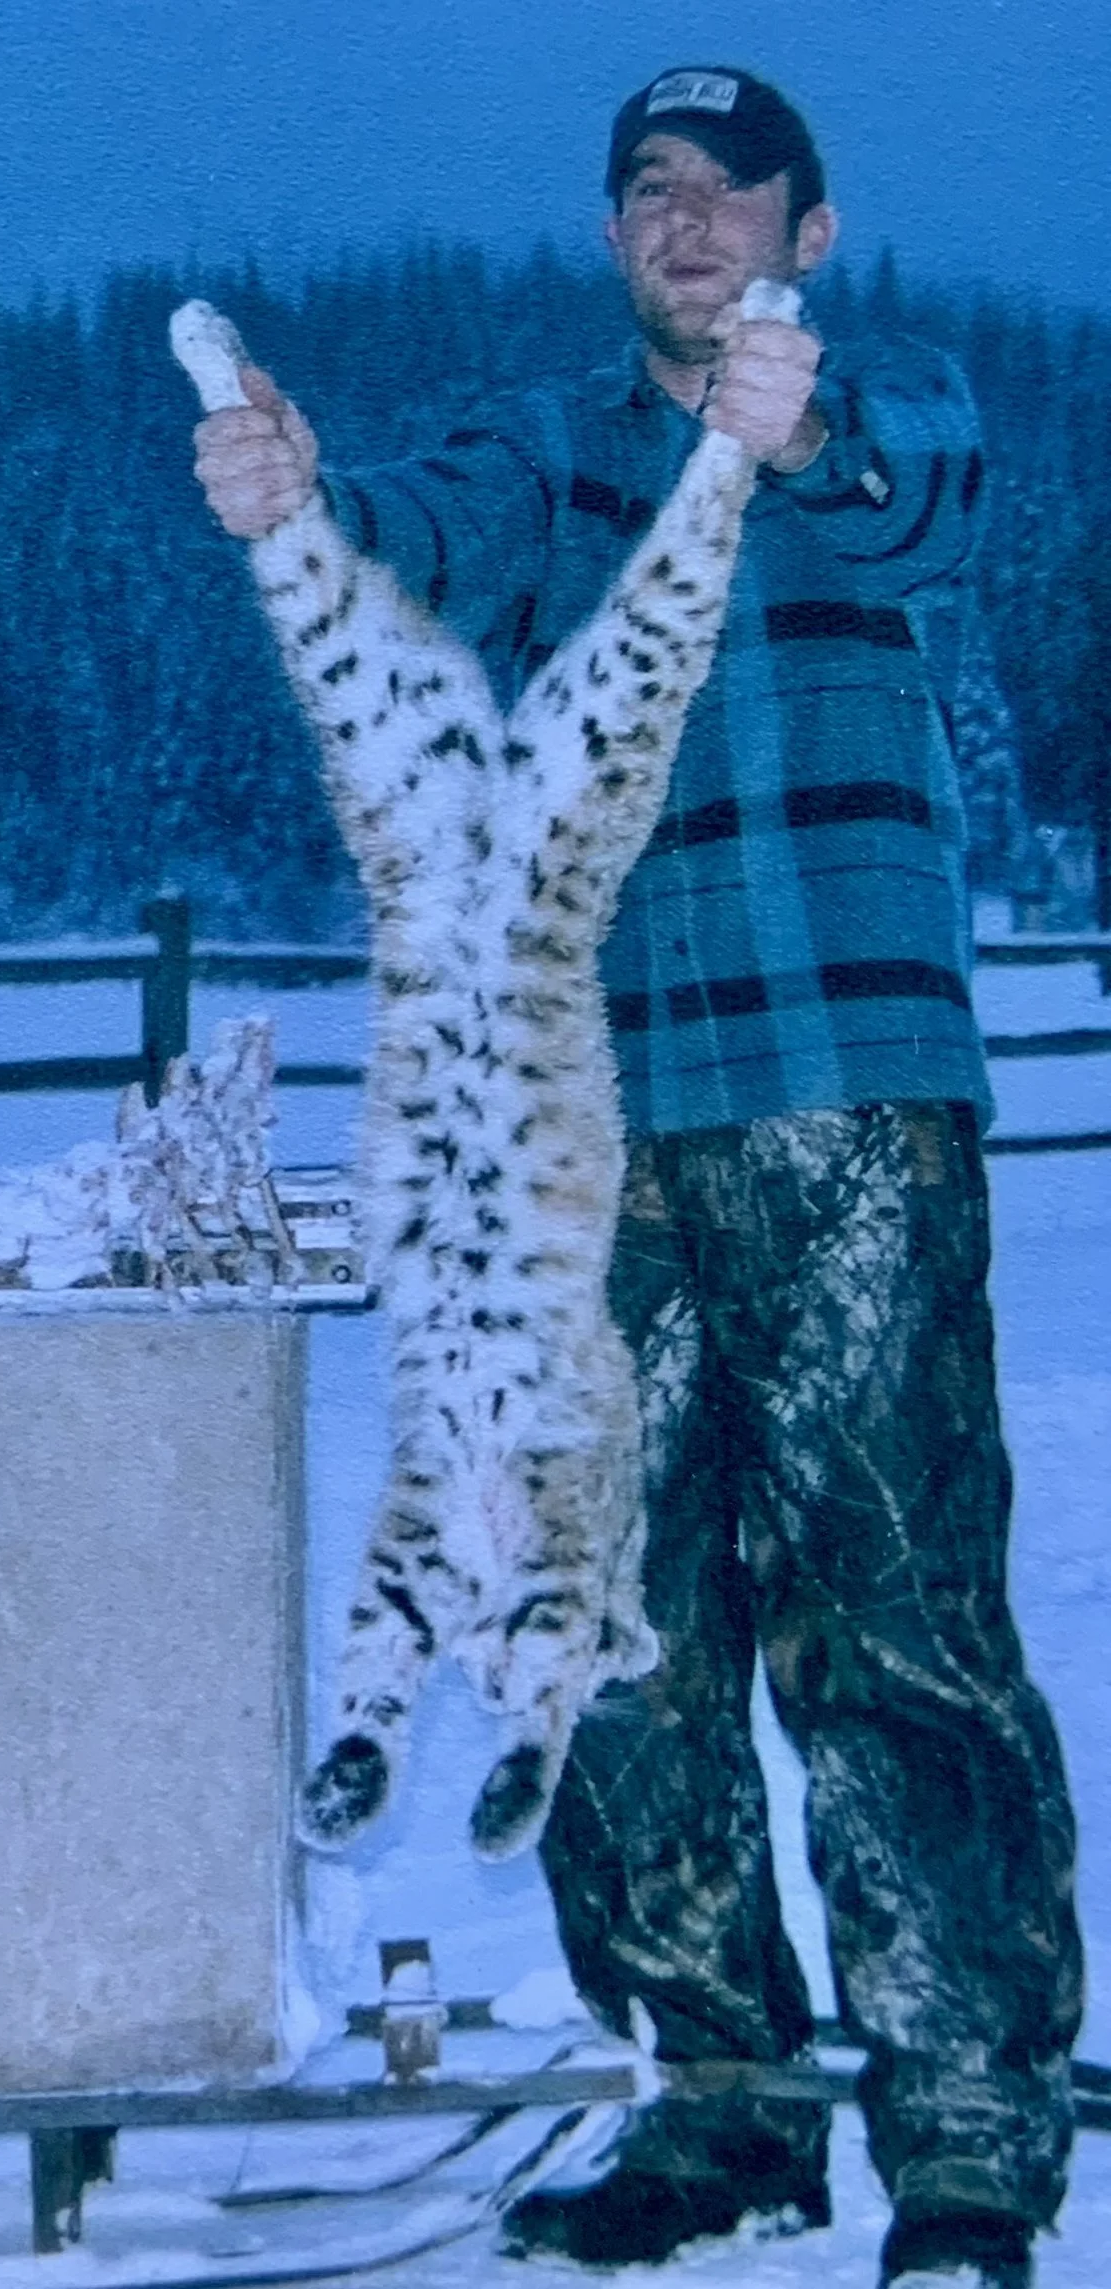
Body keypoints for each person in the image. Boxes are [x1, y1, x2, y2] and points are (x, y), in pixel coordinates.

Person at [191, 66, 1082, 2289]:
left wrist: (796, 429)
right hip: (589, 1149)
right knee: (601, 1635)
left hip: (845, 1097)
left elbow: (923, 496)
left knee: (896, 1628)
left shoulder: (878, 411)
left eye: (726, 193)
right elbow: (413, 525)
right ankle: (718, 2107)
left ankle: (964, 2147)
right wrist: (295, 496)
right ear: (611, 238)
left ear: (811, 226)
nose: (683, 226)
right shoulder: (553, 447)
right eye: (645, 193)